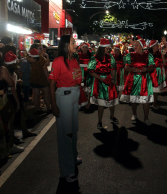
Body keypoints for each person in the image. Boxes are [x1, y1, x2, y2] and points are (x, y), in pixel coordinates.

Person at [49, 35, 83, 182]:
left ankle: (72, 157)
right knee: (65, 134)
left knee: (73, 131)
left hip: (74, 96)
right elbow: (51, 84)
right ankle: (67, 170)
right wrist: (53, 105)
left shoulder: (74, 60)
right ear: (65, 45)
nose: (75, 44)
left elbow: (77, 80)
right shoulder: (58, 61)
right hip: (64, 97)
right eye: (73, 42)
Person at [120, 36, 155, 125]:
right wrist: (133, 69)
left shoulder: (148, 55)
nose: (135, 46)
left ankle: (146, 118)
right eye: (134, 45)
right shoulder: (130, 55)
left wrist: (146, 69)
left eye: (137, 45)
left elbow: (152, 68)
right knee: (133, 99)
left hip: (144, 79)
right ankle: (134, 114)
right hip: (133, 78)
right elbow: (126, 67)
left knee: (145, 100)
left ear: (142, 45)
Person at [87, 38, 119, 129]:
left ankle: (112, 116)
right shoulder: (94, 58)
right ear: (102, 48)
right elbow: (91, 71)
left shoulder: (110, 57)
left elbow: (113, 68)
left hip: (109, 80)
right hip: (99, 81)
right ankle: (100, 121)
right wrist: (100, 78)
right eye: (107, 48)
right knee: (101, 103)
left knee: (112, 102)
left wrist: (112, 79)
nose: (108, 49)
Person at [28, 44, 51, 114]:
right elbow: (45, 68)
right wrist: (48, 78)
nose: (42, 50)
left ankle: (37, 109)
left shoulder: (29, 57)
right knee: (46, 94)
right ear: (35, 49)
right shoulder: (39, 57)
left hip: (34, 78)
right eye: (40, 48)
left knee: (36, 94)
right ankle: (48, 108)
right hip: (42, 78)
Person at [148, 40, 166, 109]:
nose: (157, 46)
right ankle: (150, 102)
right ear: (152, 47)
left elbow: (164, 63)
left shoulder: (160, 54)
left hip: (157, 73)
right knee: (150, 89)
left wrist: (163, 56)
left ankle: (154, 103)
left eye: (157, 45)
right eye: (156, 45)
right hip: (151, 73)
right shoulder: (149, 54)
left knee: (155, 90)